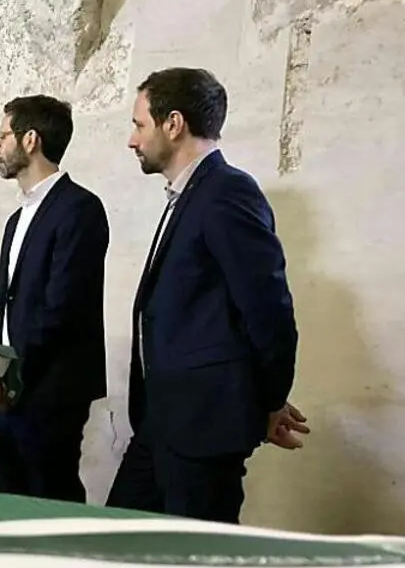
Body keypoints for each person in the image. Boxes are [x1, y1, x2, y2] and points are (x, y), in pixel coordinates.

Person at [106, 67, 308, 523]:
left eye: (139, 125)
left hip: (203, 428)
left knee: (195, 555)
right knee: (116, 537)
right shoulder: (190, 193)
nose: (132, 140)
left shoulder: (226, 191)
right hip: (163, 421)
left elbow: (269, 309)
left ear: (173, 124)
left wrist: (270, 401)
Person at [0, 95, 109, 504]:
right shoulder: (16, 219)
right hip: (10, 384)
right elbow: (1, 301)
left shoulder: (80, 209)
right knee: (11, 501)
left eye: (2, 136)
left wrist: (13, 371)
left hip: (51, 385)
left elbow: (63, 307)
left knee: (51, 502)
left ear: (30, 139)